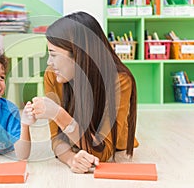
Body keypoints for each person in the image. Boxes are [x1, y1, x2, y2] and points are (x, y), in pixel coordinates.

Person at [30, 11, 139, 173]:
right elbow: (56, 139)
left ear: (79, 55)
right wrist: (70, 158)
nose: (49, 62)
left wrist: (58, 114)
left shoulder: (119, 80)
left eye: (53, 54)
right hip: (75, 144)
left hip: (115, 148)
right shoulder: (52, 75)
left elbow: (103, 152)